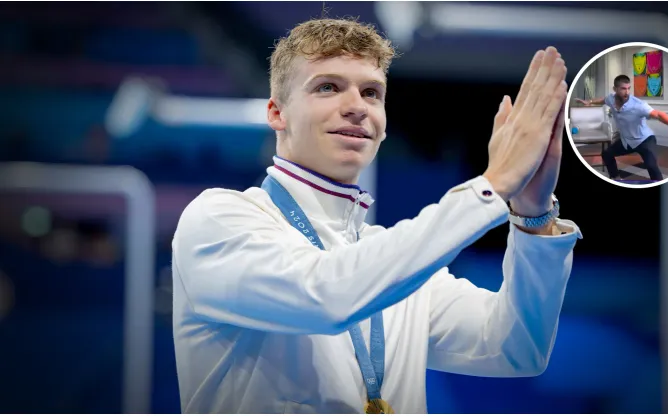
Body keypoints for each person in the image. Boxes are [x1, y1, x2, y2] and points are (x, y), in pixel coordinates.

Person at [172, 18, 582, 414]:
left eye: (372, 93)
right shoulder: (218, 220)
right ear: (277, 113)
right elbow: (327, 296)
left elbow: (516, 349)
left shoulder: (390, 263)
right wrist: (493, 184)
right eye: (328, 87)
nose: (356, 107)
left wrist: (533, 216)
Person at [576, 74, 668, 181]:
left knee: (651, 166)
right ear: (615, 89)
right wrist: (589, 101)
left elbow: (658, 114)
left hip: (645, 140)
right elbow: (603, 100)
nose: (627, 92)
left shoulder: (638, 105)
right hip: (627, 141)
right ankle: (616, 178)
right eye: (623, 89)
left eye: (628, 88)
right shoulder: (611, 99)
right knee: (607, 154)